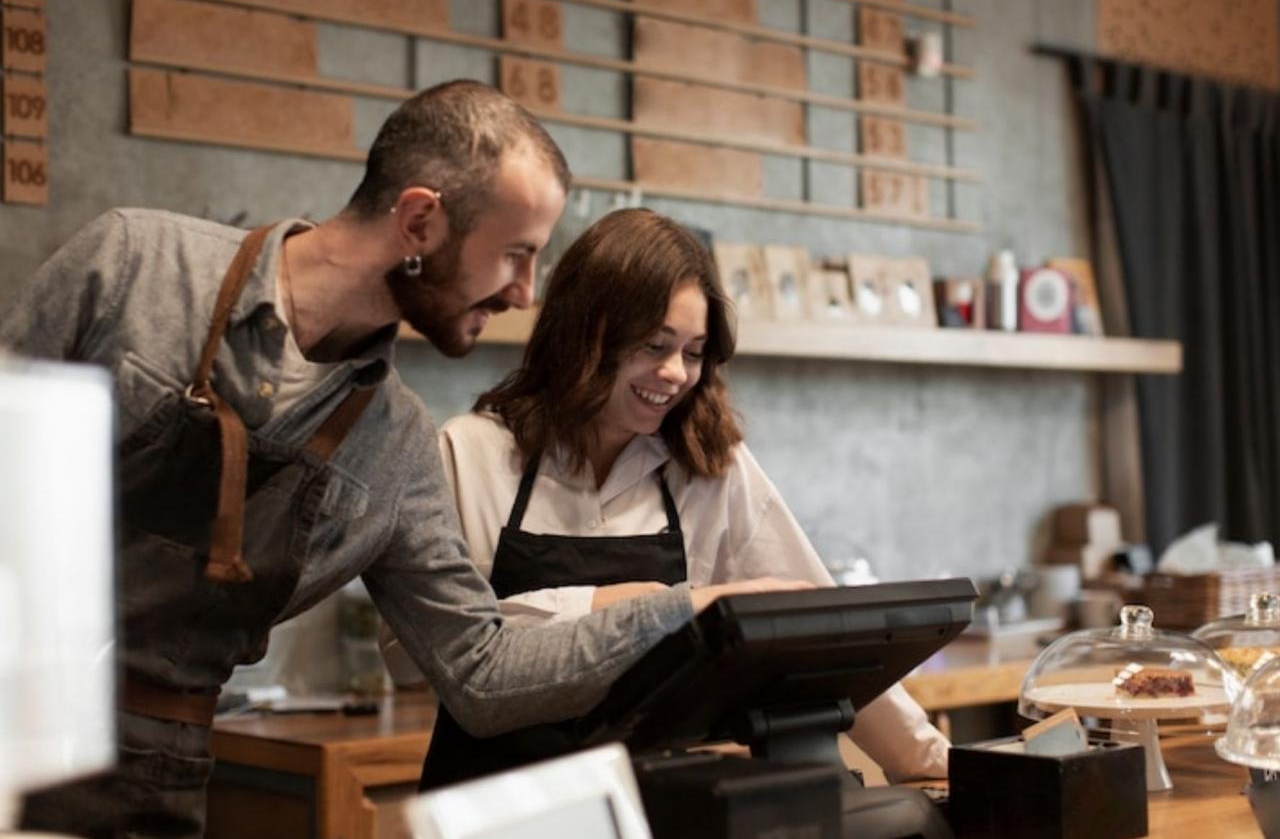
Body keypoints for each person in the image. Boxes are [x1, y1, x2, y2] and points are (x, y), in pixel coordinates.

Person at [0, 81, 795, 837]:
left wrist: (681, 610)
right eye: (516, 255)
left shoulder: (398, 445)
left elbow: (479, 673)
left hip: (157, 774)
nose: (524, 293)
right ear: (419, 224)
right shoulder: (137, 267)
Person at [382, 208, 951, 790]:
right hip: (495, 808)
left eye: (695, 351)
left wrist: (930, 758)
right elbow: (414, 654)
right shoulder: (470, 453)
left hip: (653, 806)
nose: (676, 373)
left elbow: (824, 631)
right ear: (586, 332)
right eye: (655, 345)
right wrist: (643, 604)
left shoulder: (709, 465)